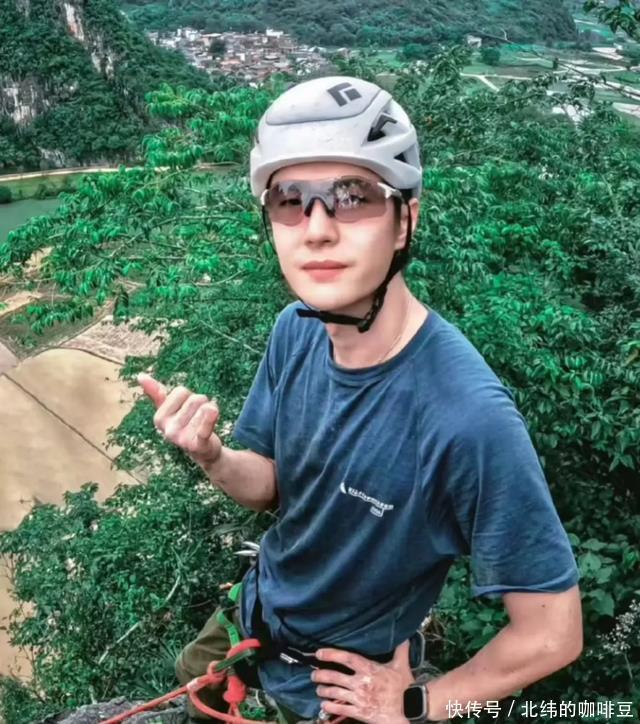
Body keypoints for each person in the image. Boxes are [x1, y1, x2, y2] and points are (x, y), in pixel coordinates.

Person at [138, 75, 583, 724]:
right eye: (290, 200)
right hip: (255, 617)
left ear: (406, 222)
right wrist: (212, 455)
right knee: (193, 694)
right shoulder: (297, 329)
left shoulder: (467, 419)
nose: (316, 229)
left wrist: (418, 702)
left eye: (352, 197)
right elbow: (270, 487)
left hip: (338, 692)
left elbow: (552, 632)